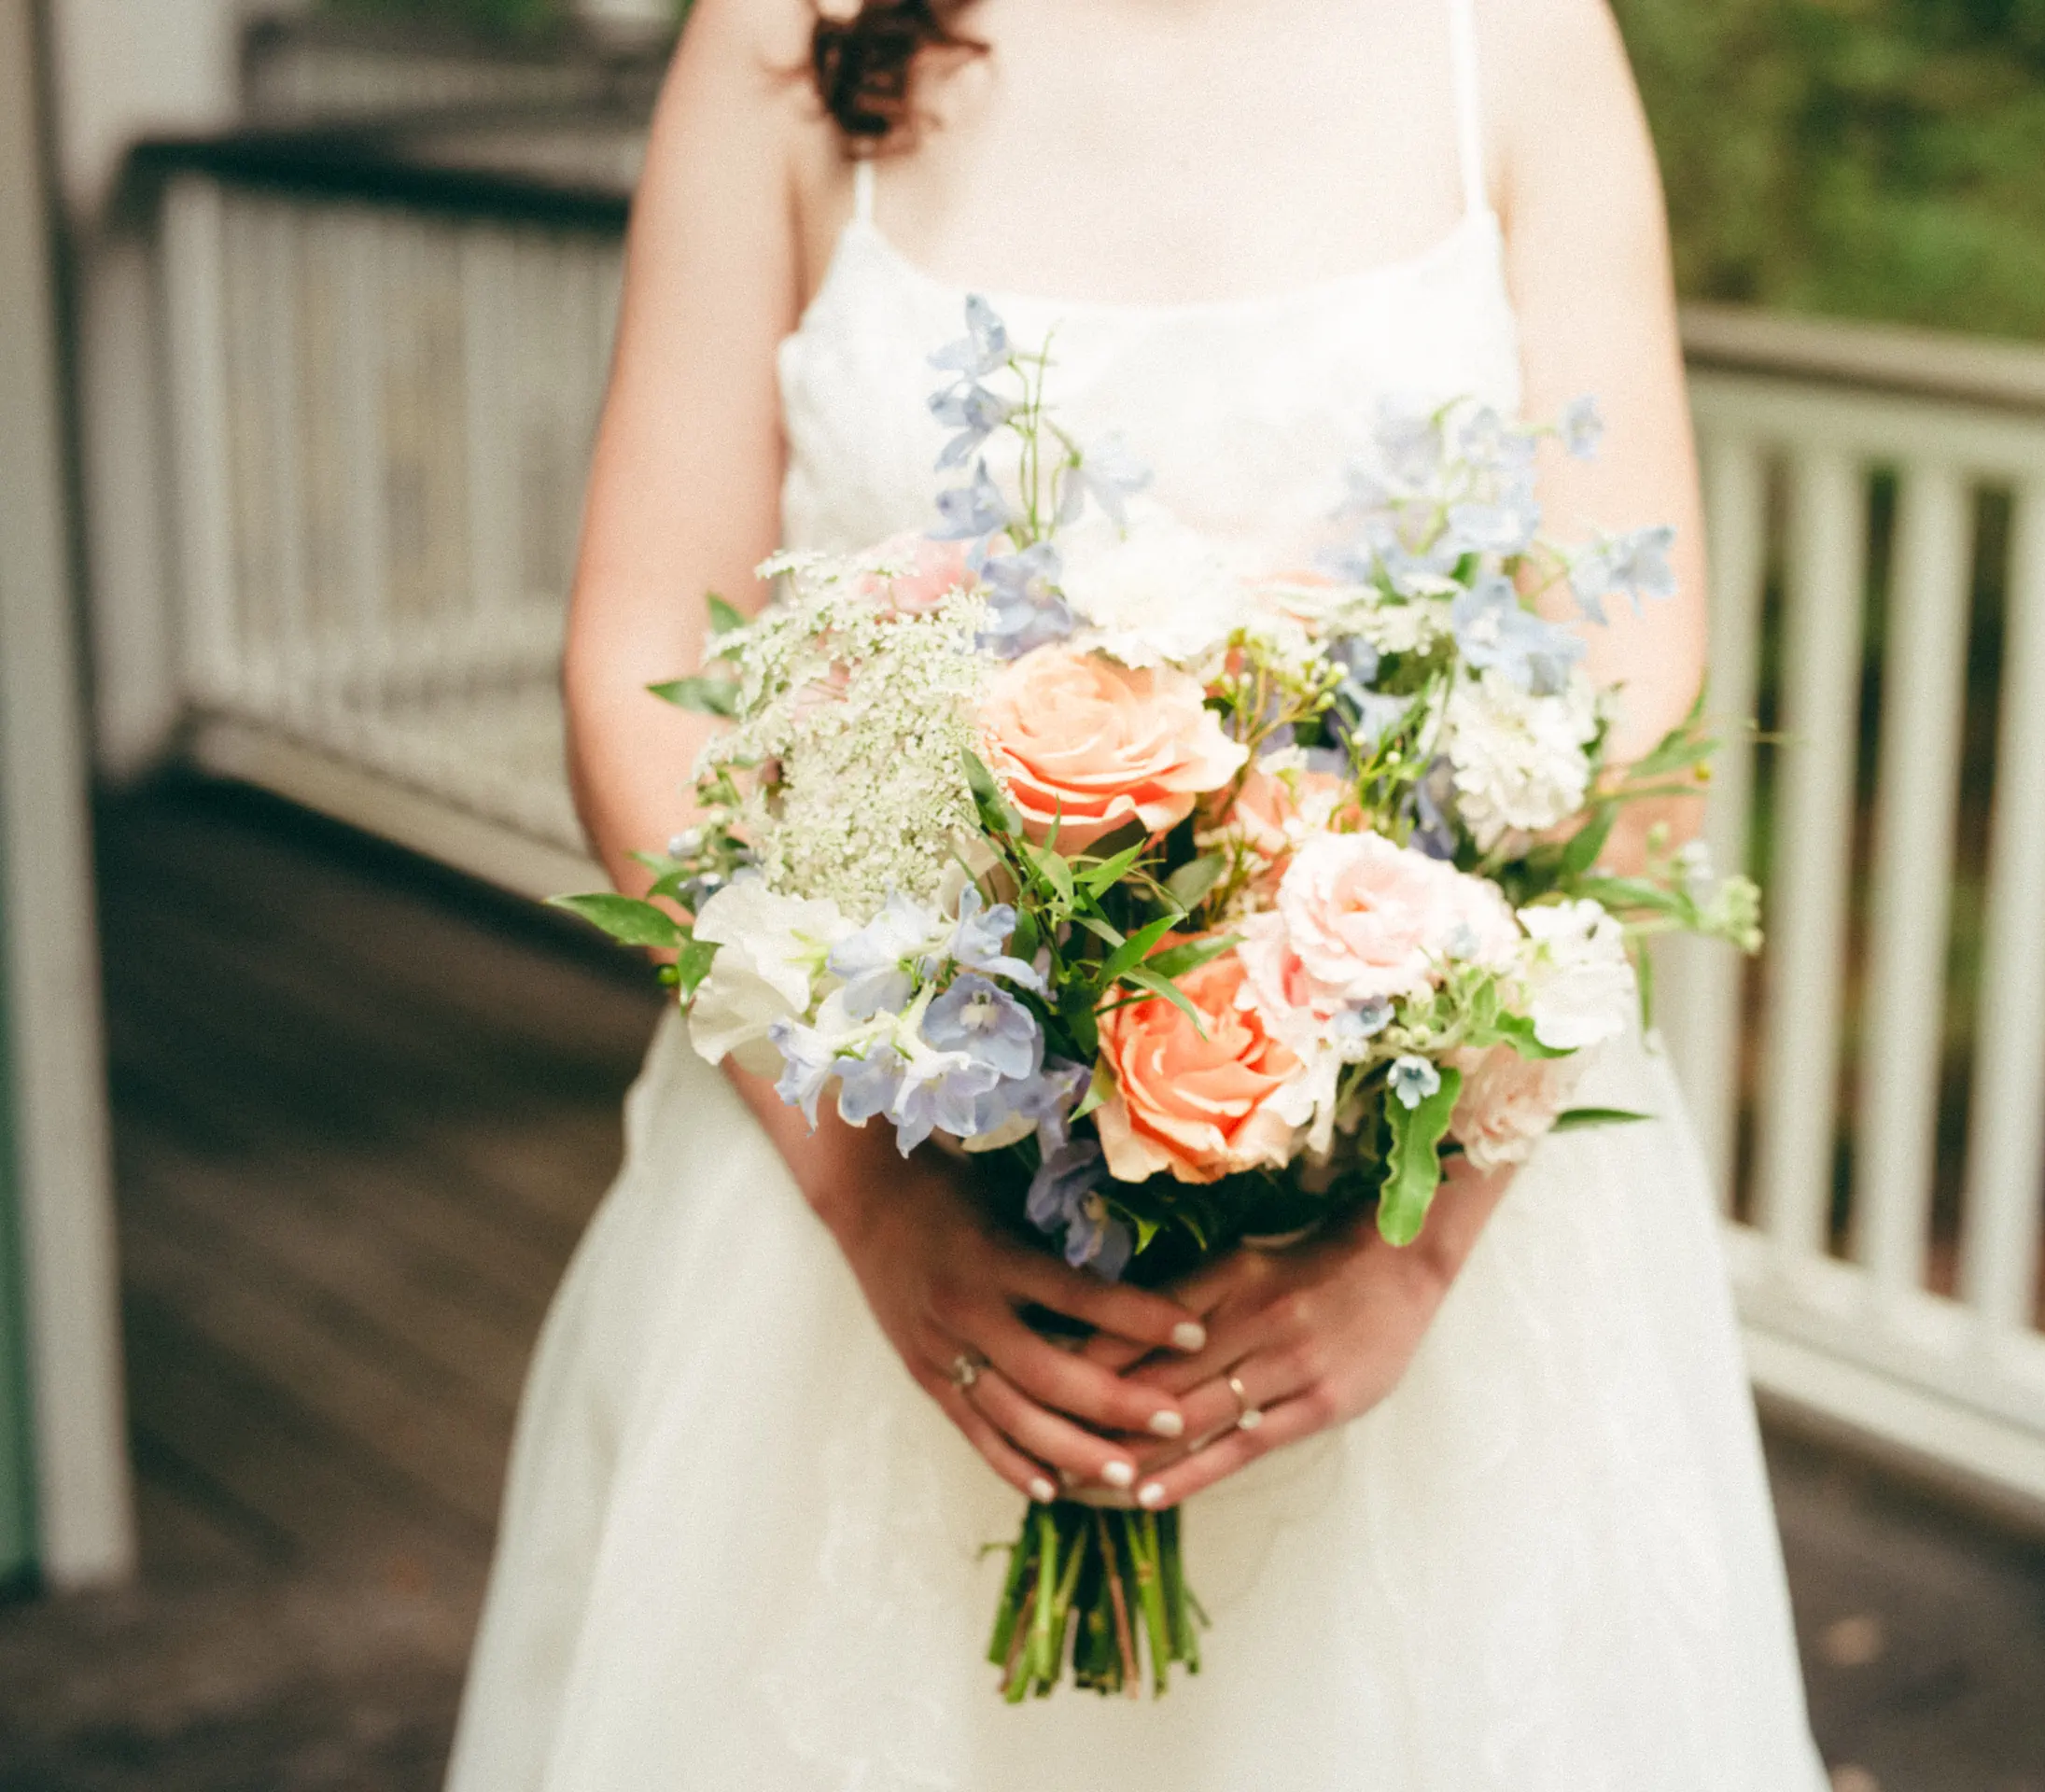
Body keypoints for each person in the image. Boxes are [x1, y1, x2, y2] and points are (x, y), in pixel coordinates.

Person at [447, 1, 1829, 1785]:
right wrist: (870, 1202)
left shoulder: (1518, 36)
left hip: (1427, 1249)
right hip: (872, 1203)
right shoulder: (786, 36)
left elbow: (1641, 699)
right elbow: (636, 659)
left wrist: (1415, 1246)